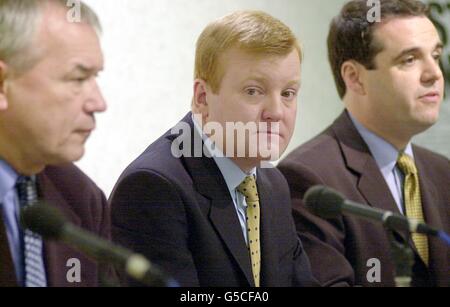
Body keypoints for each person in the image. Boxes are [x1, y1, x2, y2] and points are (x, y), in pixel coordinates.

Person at [110, 10, 317, 287]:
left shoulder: (273, 185)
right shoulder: (153, 188)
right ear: (203, 98)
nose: (276, 112)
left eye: (288, 93)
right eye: (254, 91)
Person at [278, 0, 449, 287]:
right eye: (409, 60)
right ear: (355, 78)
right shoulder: (307, 179)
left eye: (435, 55)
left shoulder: (442, 171)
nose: (434, 74)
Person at [0, 0, 110, 287]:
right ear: (2, 83)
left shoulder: (82, 198)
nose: (99, 103)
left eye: (95, 78)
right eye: (78, 78)